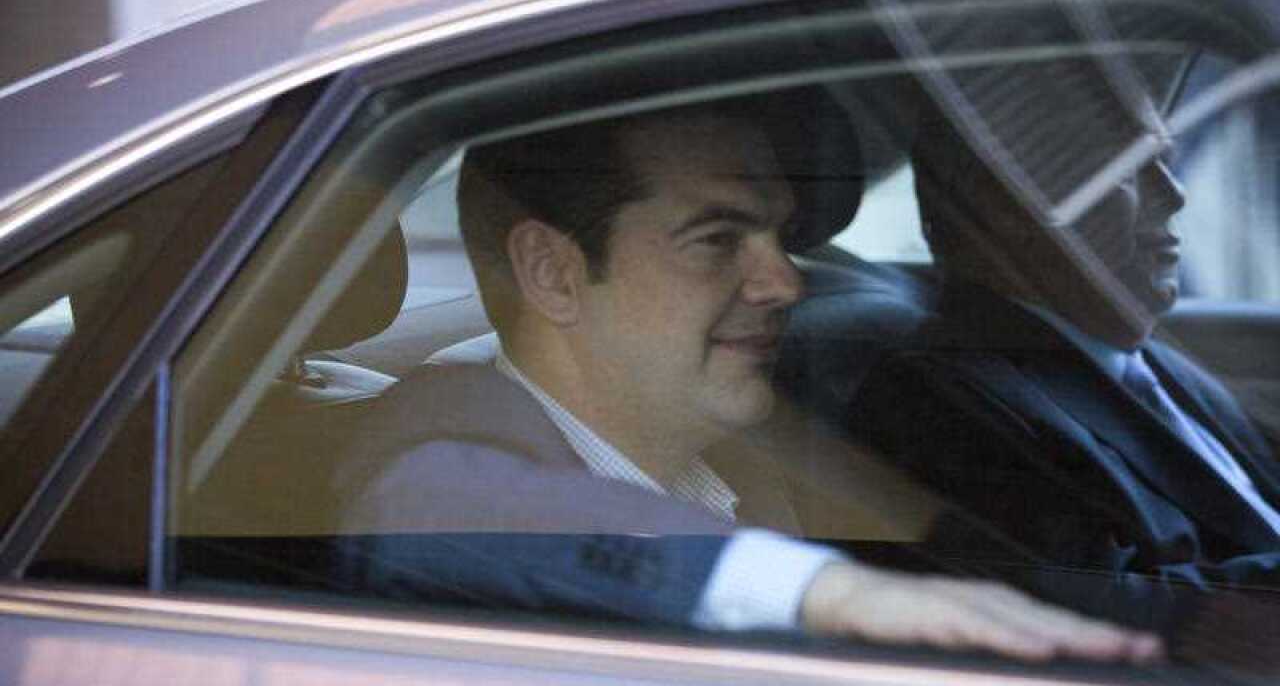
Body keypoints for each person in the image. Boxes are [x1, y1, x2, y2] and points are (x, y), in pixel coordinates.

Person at [334, 91, 1160, 662]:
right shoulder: (439, 442)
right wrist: (828, 593)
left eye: (778, 237)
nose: (786, 283)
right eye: (716, 240)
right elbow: (432, 508)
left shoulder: (759, 451)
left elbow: (1001, 585)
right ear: (552, 273)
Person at [846, 96, 1280, 603]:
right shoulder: (933, 408)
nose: (1173, 194)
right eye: (1129, 170)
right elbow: (1091, 606)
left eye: (1164, 162)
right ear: (1006, 208)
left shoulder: (1139, 355)